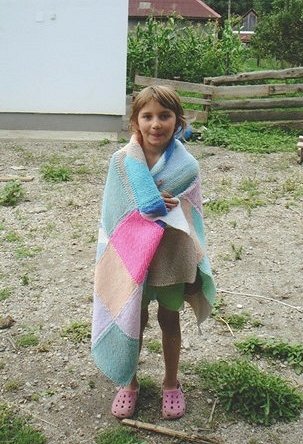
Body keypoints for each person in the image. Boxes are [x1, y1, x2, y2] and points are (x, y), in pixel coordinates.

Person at [91, 85, 216, 421]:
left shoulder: (187, 166)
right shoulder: (120, 162)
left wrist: (170, 209)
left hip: (170, 259)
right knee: (132, 316)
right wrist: (146, 207)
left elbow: (192, 214)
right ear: (136, 121)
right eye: (147, 116)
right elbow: (115, 214)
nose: (156, 123)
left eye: (165, 116)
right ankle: (128, 383)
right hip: (132, 261)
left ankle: (171, 382)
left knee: (169, 319)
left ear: (177, 122)